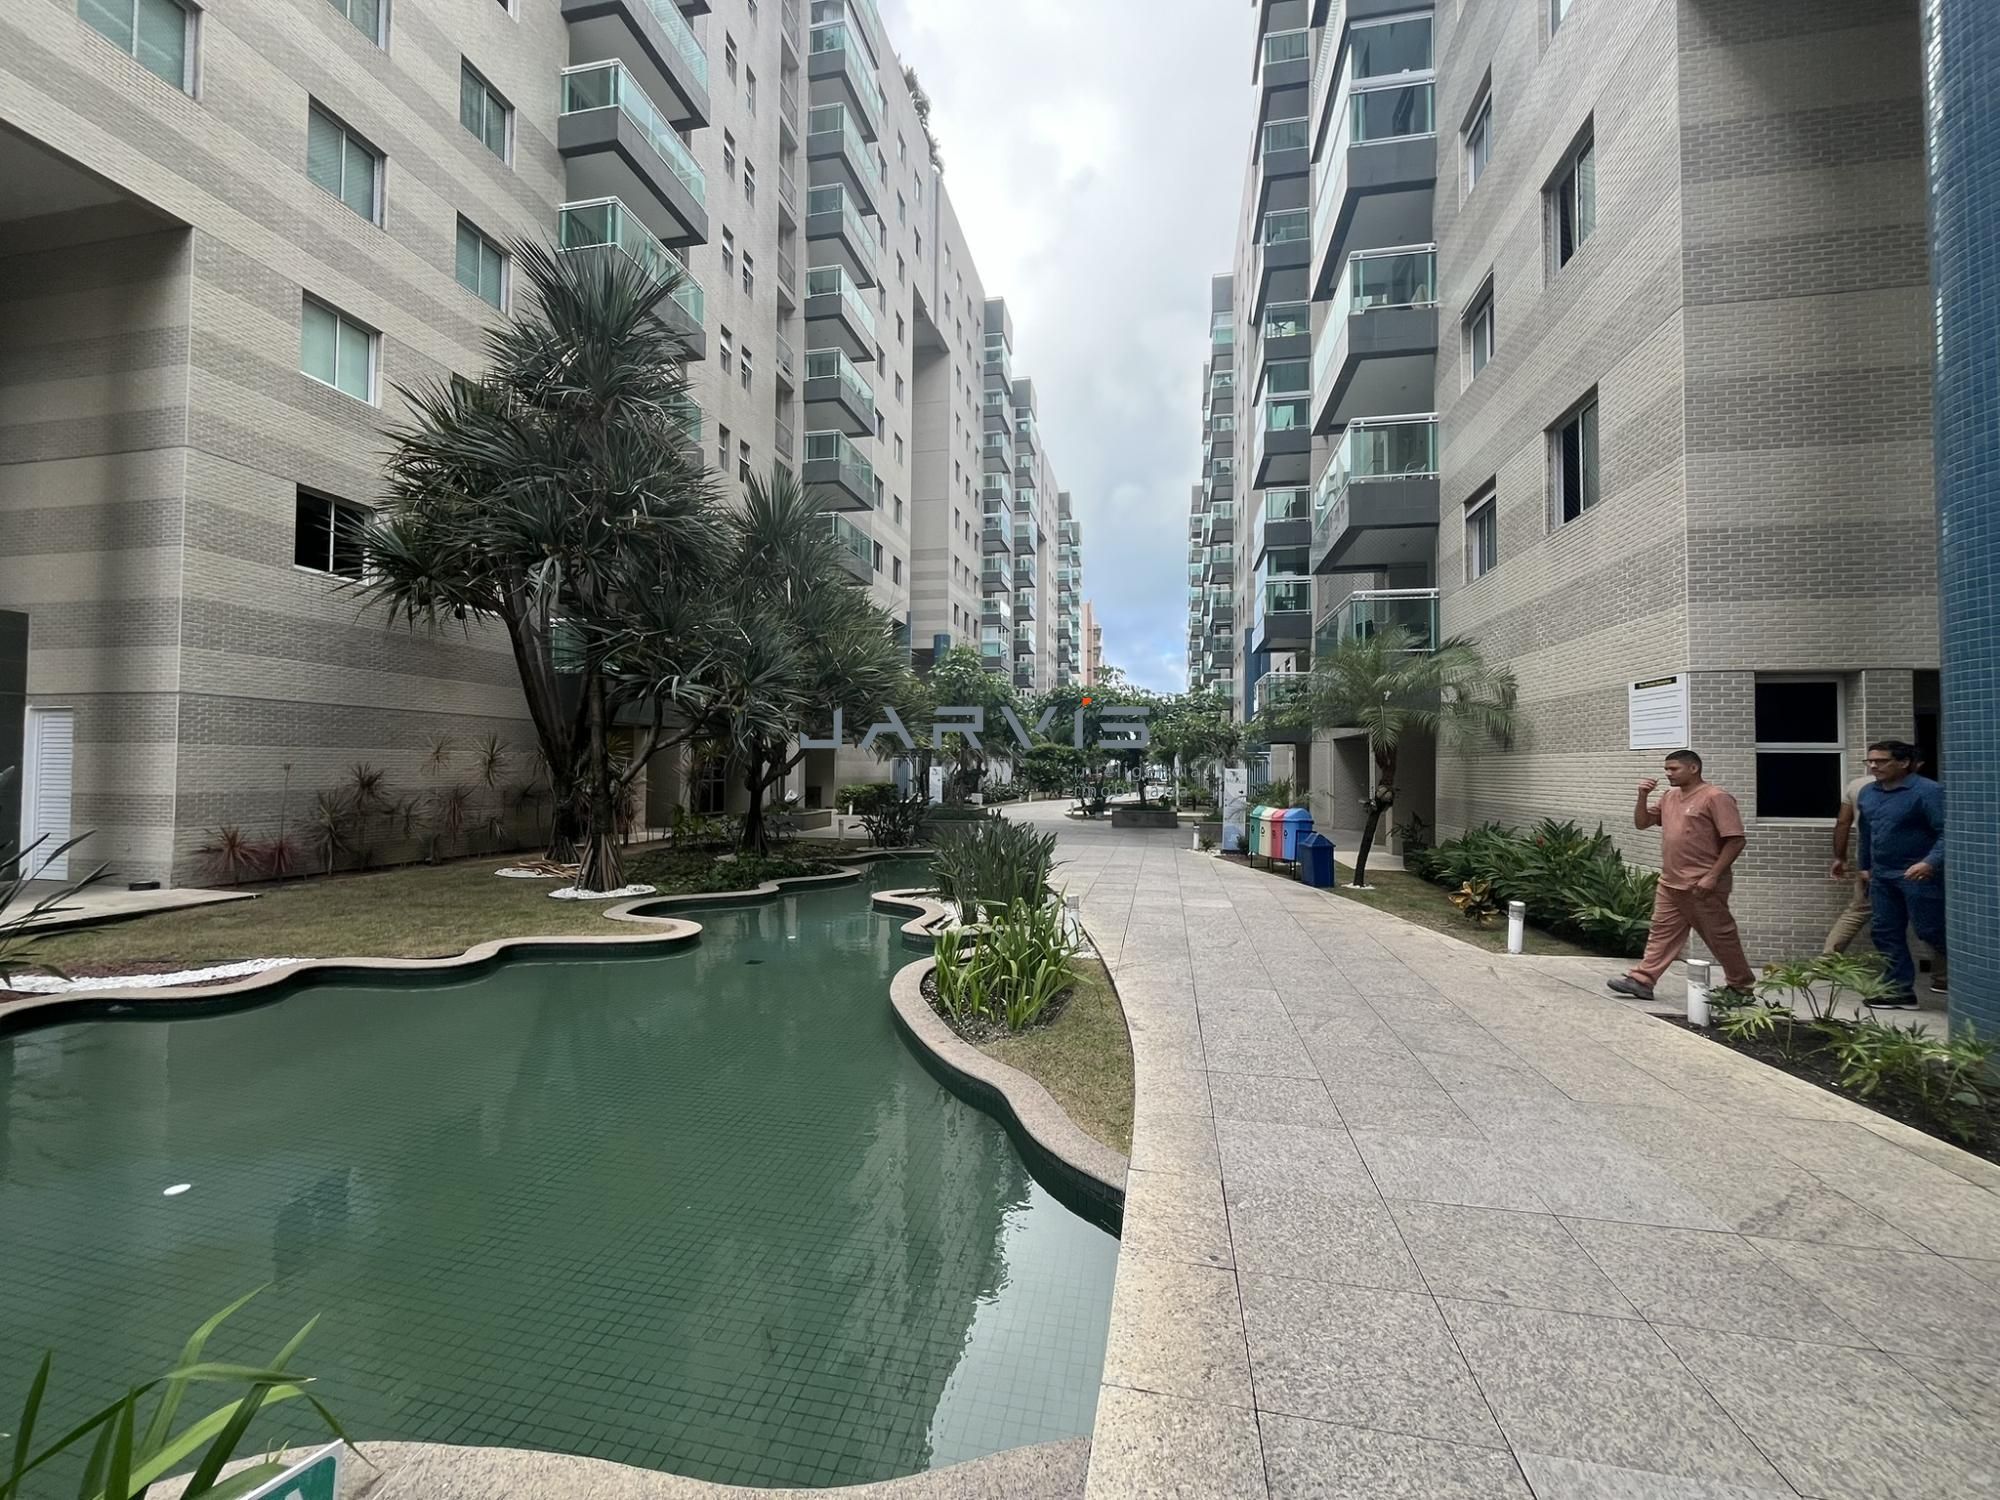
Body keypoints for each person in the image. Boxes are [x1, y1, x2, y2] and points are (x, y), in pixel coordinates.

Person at [1607, 749, 1756, 1001]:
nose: (1668, 774)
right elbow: (1642, 823)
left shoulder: (1716, 797)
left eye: (1673, 769)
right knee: (1661, 932)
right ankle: (1642, 980)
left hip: (1702, 884)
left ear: (1693, 768)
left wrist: (1712, 876)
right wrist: (1642, 796)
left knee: (1720, 936)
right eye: (1666, 769)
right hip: (1670, 882)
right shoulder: (1669, 796)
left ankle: (1741, 987)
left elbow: (1735, 840)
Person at [1856, 740, 1945, 1009]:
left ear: (1904, 763)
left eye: (1881, 761)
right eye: (1870, 761)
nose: (1874, 766)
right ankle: (1898, 991)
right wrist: (1865, 866)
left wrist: (1930, 862)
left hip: (1919, 874)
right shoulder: (1868, 793)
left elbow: (1948, 831)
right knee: (1885, 932)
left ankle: (1981, 979)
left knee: (1931, 930)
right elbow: (1866, 832)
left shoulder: (1927, 791)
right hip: (1882, 875)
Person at [1823, 771, 1874, 952]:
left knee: (1858, 910)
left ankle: (1827, 958)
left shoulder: (1856, 785)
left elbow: (1843, 822)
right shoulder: (1922, 788)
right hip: (1902, 863)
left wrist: (1840, 857)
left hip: (1866, 861)